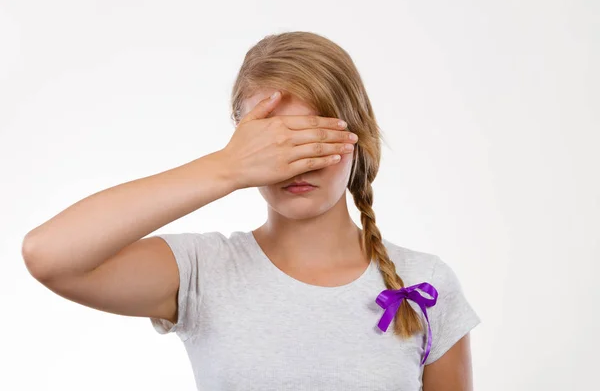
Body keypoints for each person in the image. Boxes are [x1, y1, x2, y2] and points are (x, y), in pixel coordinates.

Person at [22, 31, 481, 390]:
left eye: (310, 140)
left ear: (357, 140)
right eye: (272, 143)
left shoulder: (427, 283)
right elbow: (49, 254)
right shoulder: (204, 271)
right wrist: (226, 168)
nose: (294, 164)